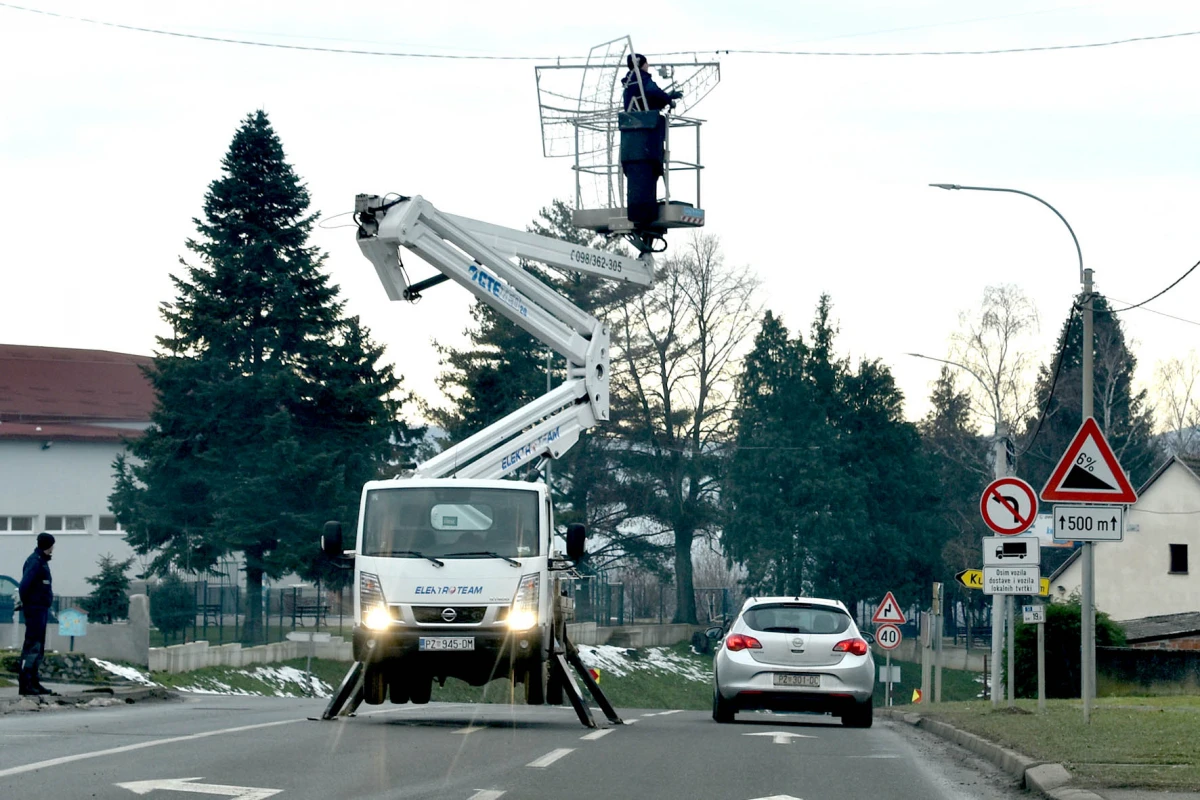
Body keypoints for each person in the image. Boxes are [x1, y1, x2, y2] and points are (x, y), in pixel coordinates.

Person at [619, 54, 684, 226]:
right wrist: (668, 99)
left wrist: (667, 97)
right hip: (647, 139)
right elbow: (652, 92)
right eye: (646, 63)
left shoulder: (630, 82)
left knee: (643, 176)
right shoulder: (642, 78)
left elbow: (648, 100)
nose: (649, 66)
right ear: (641, 64)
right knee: (650, 171)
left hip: (634, 141)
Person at [17, 532, 58, 696]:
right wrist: (28, 603)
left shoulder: (41, 561)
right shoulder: (35, 562)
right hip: (35, 610)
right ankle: (25, 682)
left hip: (40, 609)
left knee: (38, 647)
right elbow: (24, 585)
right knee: (32, 646)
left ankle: (34, 681)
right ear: (49, 545)